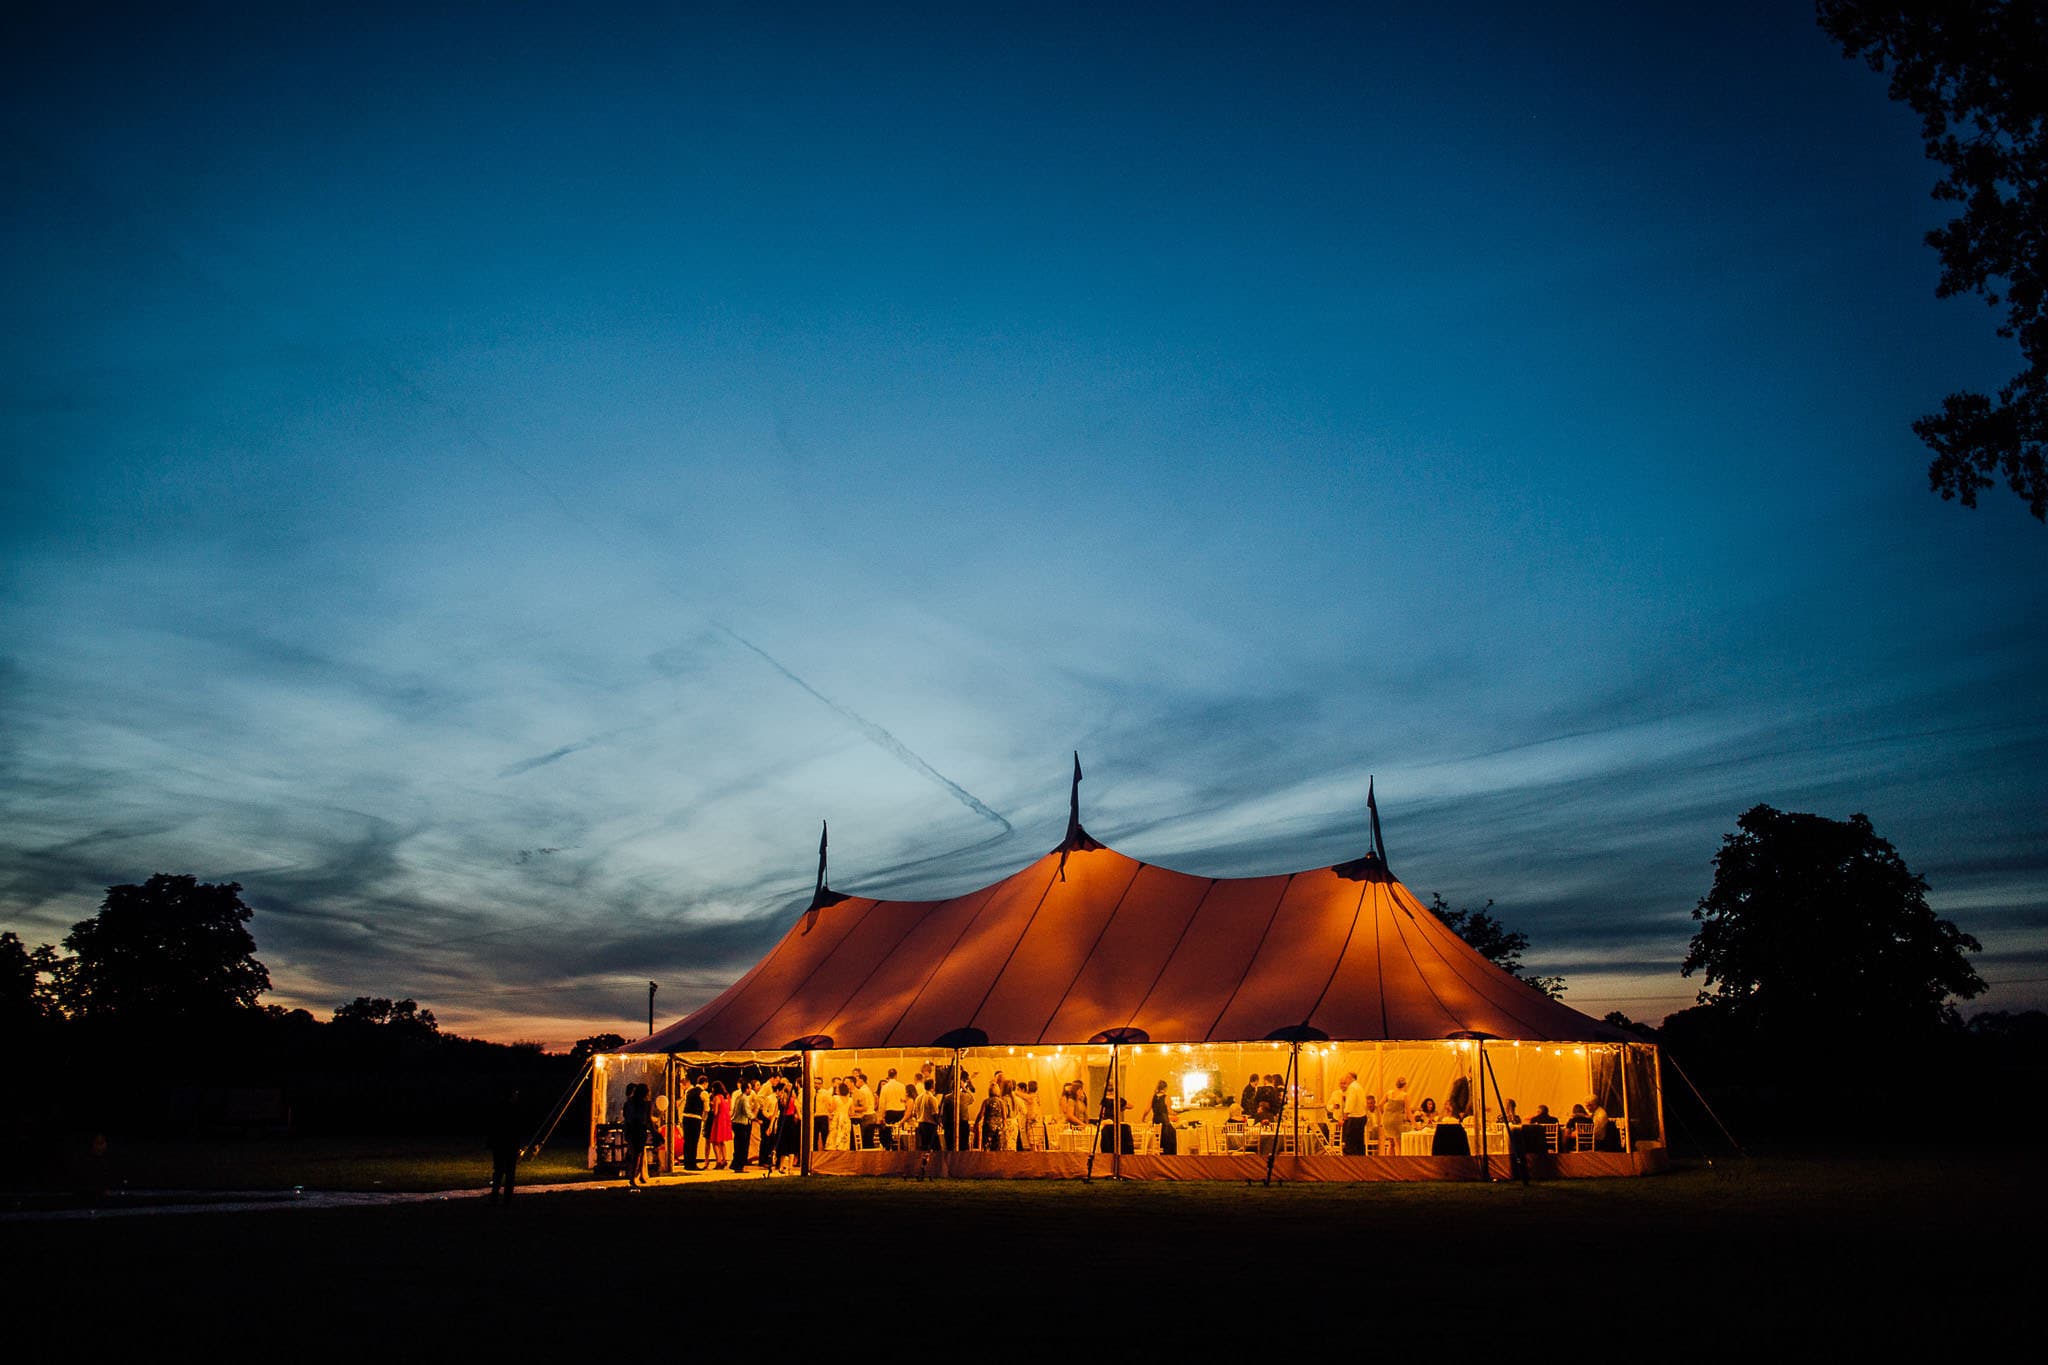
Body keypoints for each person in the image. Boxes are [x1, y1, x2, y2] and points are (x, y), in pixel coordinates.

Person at [486, 1086, 522, 1202]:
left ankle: (495, 1196)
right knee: (508, 1173)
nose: (517, 1096)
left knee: (499, 1171)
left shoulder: (500, 1108)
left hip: (500, 1145)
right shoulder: (512, 1110)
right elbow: (514, 1130)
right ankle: (506, 1199)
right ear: (511, 1095)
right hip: (507, 1146)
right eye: (515, 1093)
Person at [621, 1082, 652, 1187]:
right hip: (639, 1130)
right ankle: (633, 1177)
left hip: (630, 1129)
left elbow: (625, 1115)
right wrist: (654, 1132)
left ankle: (633, 1176)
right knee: (638, 1154)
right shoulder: (646, 1104)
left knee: (634, 1153)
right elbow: (648, 1120)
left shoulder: (629, 1102)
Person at [680, 1074, 707, 1171]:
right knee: (694, 1141)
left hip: (686, 1117)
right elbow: (706, 1109)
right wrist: (704, 1119)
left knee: (687, 1141)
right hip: (695, 1118)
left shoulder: (689, 1091)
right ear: (705, 1083)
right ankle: (692, 1164)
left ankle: (687, 1163)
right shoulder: (703, 1093)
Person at [1341, 1071, 1371, 1155]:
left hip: (1354, 1118)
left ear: (1351, 1078)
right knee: (1359, 1142)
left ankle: (1350, 1163)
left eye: (1346, 1078)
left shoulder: (1352, 1087)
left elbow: (1351, 1101)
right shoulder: (1359, 1086)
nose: (1345, 1080)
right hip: (1362, 1117)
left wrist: (1346, 1113)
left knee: (1350, 1143)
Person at [730, 1079, 756, 1172]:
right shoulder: (744, 1098)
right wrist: (755, 1118)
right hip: (741, 1124)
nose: (751, 1090)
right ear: (746, 1089)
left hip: (736, 1123)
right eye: (750, 1088)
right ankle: (739, 1166)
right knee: (742, 1146)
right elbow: (747, 1112)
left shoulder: (738, 1097)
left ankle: (736, 1164)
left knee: (737, 1145)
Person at [878, 1068, 907, 1150]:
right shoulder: (902, 1086)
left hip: (890, 1111)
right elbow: (904, 1099)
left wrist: (881, 1116)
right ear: (896, 1075)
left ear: (888, 1075)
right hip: (901, 1111)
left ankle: (889, 1147)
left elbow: (882, 1103)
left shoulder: (885, 1087)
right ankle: (900, 1147)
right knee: (900, 1131)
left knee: (889, 1131)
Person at [1383, 1077, 1412, 1152]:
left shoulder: (1389, 1093)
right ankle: (1398, 1162)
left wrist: (1384, 1113)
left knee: (1391, 1144)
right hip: (1396, 1120)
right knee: (1398, 1145)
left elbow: (1380, 1104)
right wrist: (1415, 1124)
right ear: (1405, 1085)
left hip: (1386, 1120)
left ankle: (1388, 1161)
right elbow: (1408, 1112)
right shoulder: (1404, 1095)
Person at [708, 1081, 732, 1168]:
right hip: (726, 1120)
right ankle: (724, 1159)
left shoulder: (716, 1098)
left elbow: (715, 1112)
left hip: (718, 1120)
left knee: (715, 1141)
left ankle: (718, 1161)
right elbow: (730, 1108)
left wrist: (712, 1105)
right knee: (722, 1142)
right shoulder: (727, 1096)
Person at [1150, 1080, 1177, 1155]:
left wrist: (1143, 1118)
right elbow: (1169, 1110)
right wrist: (1176, 1113)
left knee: (1158, 1138)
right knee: (1172, 1135)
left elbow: (1147, 1109)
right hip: (1164, 1122)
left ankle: (1159, 1151)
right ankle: (1169, 1155)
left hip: (1155, 1120)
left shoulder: (1153, 1097)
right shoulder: (1166, 1097)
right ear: (1165, 1088)